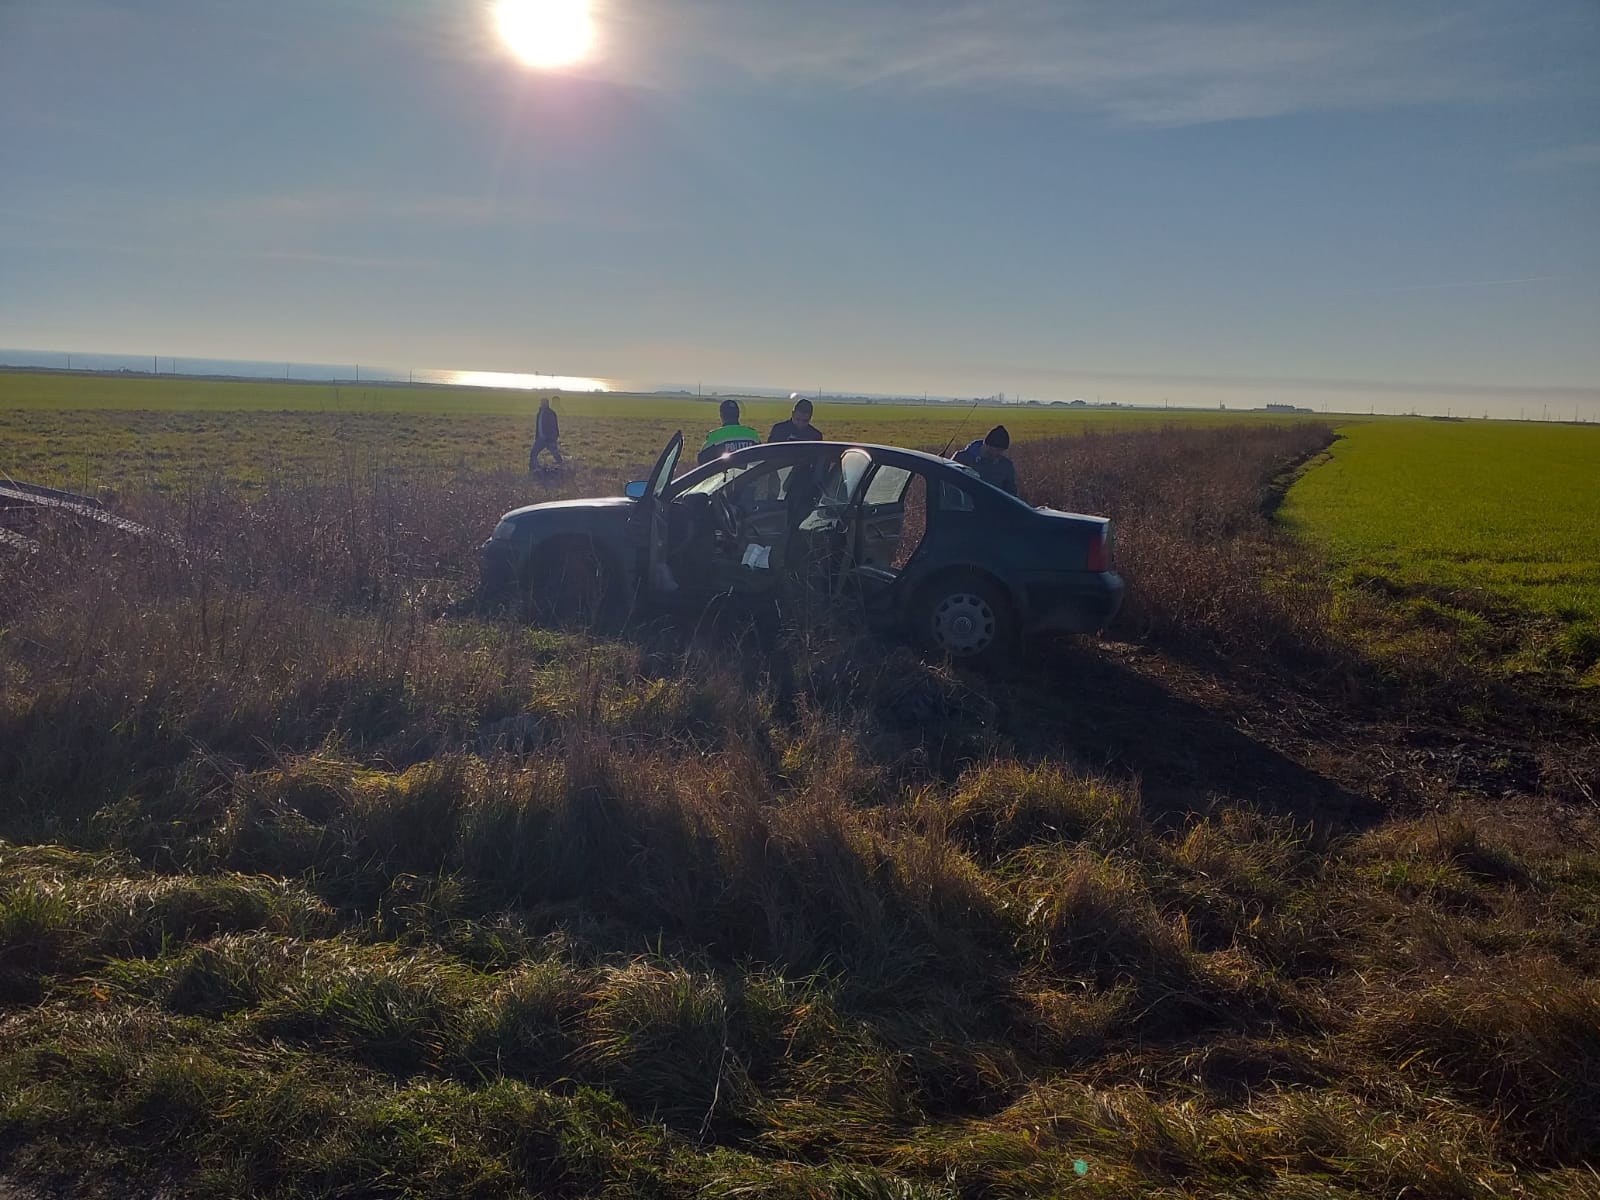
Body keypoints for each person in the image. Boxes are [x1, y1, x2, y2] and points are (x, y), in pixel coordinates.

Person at [953, 425, 1019, 496]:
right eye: (998, 450)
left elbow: (1012, 494)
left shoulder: (1006, 466)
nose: (1000, 453)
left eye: (1002, 450)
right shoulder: (962, 458)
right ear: (987, 445)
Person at [698, 399, 761, 465]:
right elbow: (761, 457)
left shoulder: (715, 436)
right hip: (750, 471)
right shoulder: (752, 435)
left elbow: (701, 460)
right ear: (738, 415)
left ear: (721, 415)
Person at [529, 396, 563, 469]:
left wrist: (553, 437)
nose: (542, 404)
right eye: (542, 402)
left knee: (556, 454)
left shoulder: (551, 413)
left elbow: (554, 426)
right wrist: (537, 436)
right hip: (540, 439)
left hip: (549, 439)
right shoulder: (539, 413)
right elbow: (538, 426)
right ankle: (533, 469)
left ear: (547, 404)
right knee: (533, 454)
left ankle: (563, 467)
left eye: (544, 403)